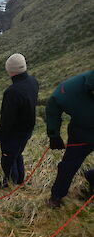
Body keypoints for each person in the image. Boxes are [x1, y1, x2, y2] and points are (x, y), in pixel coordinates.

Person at [46, 70, 94, 208]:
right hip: (81, 135)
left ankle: (91, 178)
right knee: (67, 167)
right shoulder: (72, 88)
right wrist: (53, 134)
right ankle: (56, 196)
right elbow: (53, 105)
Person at [0, 53, 39, 188]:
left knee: (8, 159)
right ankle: (19, 181)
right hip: (27, 130)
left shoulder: (12, 92)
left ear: (10, 70)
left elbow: (7, 121)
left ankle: (9, 185)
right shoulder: (33, 82)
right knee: (17, 154)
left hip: (14, 133)